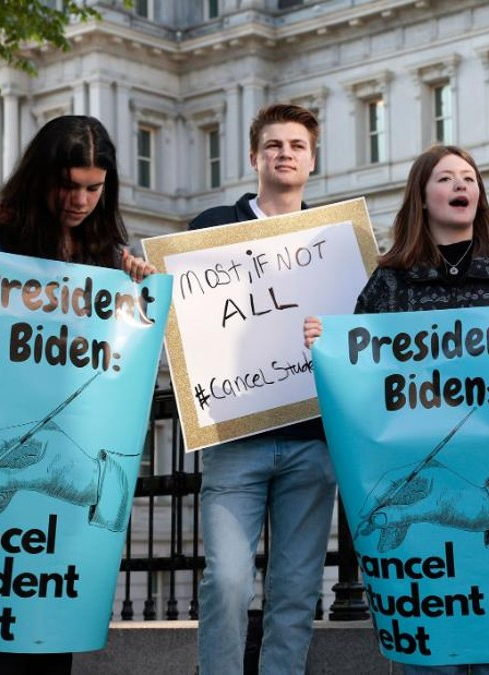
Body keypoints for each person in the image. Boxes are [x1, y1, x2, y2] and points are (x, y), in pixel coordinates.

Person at [304, 144, 489, 675]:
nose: (460, 186)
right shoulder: (389, 282)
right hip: (418, 481)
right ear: (422, 198)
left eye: (468, 178)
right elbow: (361, 384)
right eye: (446, 178)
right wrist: (322, 344)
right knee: (428, 649)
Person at [0, 114, 155, 674]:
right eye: (69, 184)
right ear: (43, 178)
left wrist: (134, 280)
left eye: (94, 187)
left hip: (66, 466)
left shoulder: (108, 250)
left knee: (51, 617)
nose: (81, 199)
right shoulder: (1, 234)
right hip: (10, 437)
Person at [189, 103, 336, 675]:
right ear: (254, 158)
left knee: (296, 589)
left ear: (312, 160)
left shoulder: (334, 238)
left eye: (297, 146)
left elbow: (361, 327)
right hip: (236, 435)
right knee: (226, 579)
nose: (285, 154)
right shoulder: (210, 230)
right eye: (274, 145)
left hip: (312, 439)